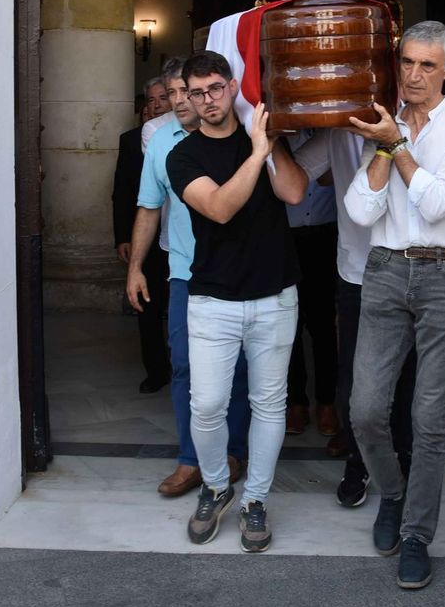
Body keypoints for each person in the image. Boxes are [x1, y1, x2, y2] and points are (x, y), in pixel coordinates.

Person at [344, 20, 445, 590]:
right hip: (384, 272)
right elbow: (361, 211)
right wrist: (385, 142)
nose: (413, 75)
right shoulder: (382, 122)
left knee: (428, 418)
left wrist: (396, 144)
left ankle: (416, 534)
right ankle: (394, 491)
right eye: (407, 62)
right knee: (365, 409)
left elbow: (434, 203)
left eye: (427, 65)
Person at [168, 51, 307, 551]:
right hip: (212, 300)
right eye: (196, 92)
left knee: (269, 405)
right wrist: (254, 154)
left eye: (215, 89)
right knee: (206, 406)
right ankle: (216, 486)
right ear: (186, 96)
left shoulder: (265, 141)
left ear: (232, 87)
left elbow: (294, 193)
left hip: (274, 296)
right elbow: (221, 208)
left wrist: (269, 147)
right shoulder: (182, 156)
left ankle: (255, 500)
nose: (207, 101)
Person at [126, 58, 248, 497]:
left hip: (236, 273)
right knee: (184, 367)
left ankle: (232, 452)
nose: (178, 102)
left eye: (185, 92)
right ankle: (190, 459)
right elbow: (149, 205)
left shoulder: (241, 136)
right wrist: (136, 267)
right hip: (184, 272)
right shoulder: (161, 142)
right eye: (172, 93)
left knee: (235, 368)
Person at [293, 127, 418, 508]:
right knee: (352, 375)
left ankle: (405, 459)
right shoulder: (338, 133)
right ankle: (358, 460)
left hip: (411, 268)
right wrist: (270, 134)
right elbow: (295, 180)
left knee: (407, 374)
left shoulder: (418, 122)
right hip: (356, 272)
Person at [114, 76, 172, 393]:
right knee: (147, 306)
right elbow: (122, 192)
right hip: (146, 238)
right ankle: (156, 369)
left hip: (177, 236)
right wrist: (123, 236)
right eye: (151, 100)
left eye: (164, 97)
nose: (157, 104)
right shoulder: (131, 139)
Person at [285, 136, 341, 435]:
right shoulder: (278, 139)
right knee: (288, 327)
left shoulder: (331, 137)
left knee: (322, 326)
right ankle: (296, 402)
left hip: (325, 236)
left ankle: (327, 403)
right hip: (285, 240)